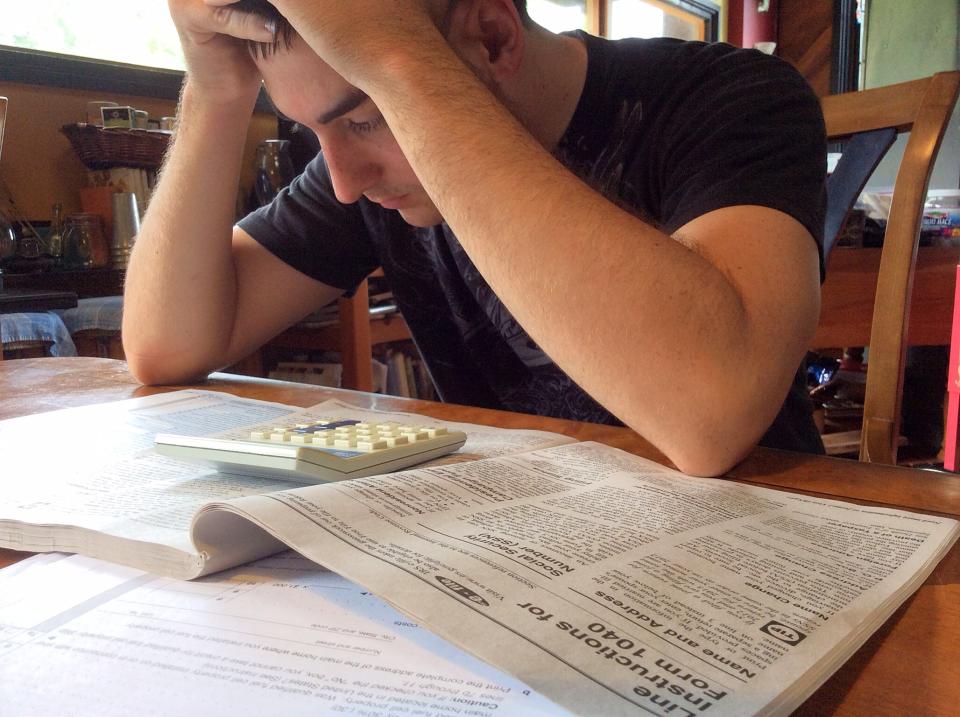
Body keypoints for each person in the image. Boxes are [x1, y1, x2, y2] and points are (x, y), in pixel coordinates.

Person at [123, 0, 826, 476]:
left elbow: (711, 414)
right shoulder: (375, 176)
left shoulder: (729, 96)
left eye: (365, 117)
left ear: (493, 37)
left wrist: (401, 70)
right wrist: (214, 92)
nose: (341, 180)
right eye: (316, 131)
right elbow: (165, 344)